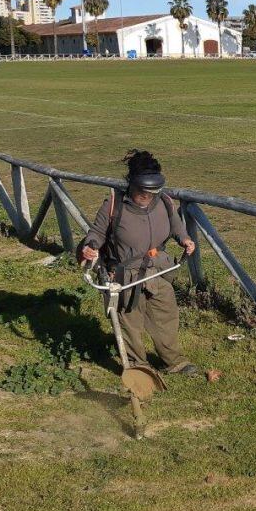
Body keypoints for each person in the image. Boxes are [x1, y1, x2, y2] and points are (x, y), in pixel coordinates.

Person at [79, 150, 198, 376]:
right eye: (142, 193)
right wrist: (91, 246)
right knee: (130, 322)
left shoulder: (163, 201)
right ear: (131, 184)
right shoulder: (114, 205)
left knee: (166, 314)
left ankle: (174, 361)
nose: (146, 198)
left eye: (150, 193)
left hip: (158, 270)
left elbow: (175, 225)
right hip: (125, 275)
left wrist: (185, 239)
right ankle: (138, 366)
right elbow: (96, 233)